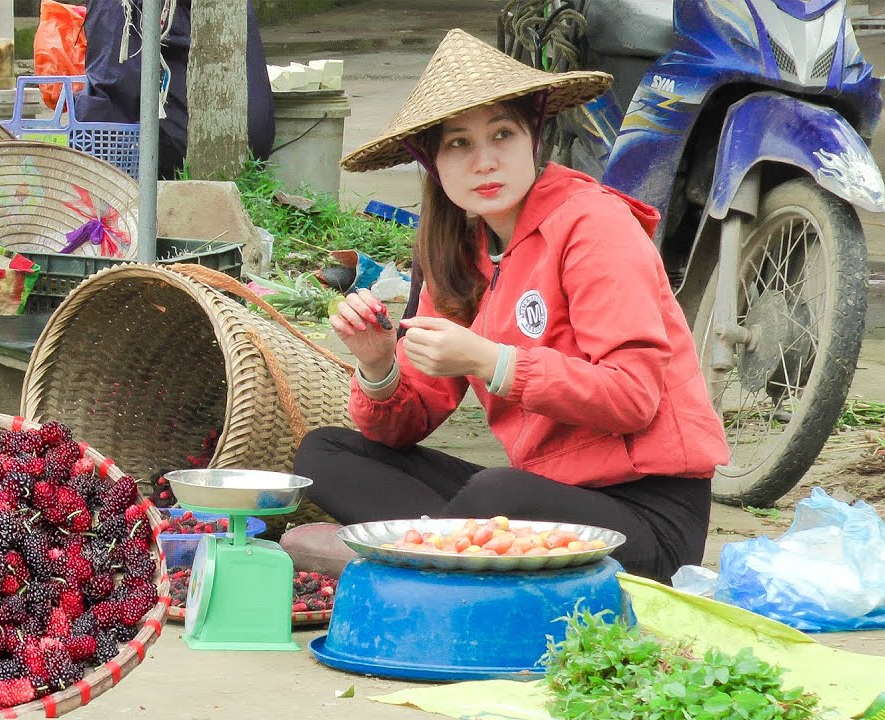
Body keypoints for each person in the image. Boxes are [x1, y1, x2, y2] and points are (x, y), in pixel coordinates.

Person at [292, 28, 729, 584]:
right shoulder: (457, 254)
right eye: (459, 144)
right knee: (324, 454)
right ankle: (440, 553)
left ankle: (413, 557)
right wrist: (379, 367)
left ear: (534, 139)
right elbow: (404, 427)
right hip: (543, 497)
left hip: (645, 520)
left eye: (502, 134)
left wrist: (491, 361)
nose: (485, 162)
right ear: (431, 162)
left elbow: (634, 397)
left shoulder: (594, 226)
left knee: (499, 493)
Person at [73, 0, 275, 179]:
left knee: (100, 116)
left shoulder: (120, 5)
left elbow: (115, 88)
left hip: (185, 154)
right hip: (254, 147)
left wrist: (77, 103)